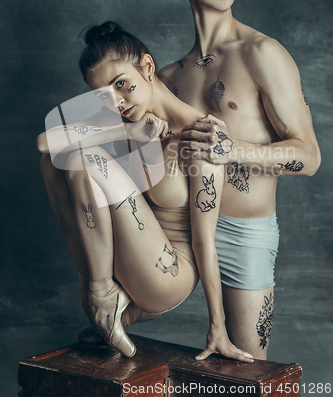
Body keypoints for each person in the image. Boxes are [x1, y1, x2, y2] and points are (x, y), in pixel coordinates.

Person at [37, 21, 254, 362]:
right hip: (134, 259)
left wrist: (218, 328)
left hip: (171, 275)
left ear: (148, 67)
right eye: (104, 96)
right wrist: (130, 132)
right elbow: (44, 143)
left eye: (122, 84)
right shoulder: (131, 119)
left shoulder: (202, 137)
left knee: (83, 155)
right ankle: (97, 294)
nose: (118, 101)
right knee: (55, 162)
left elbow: (204, 243)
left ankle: (103, 297)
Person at [159, 0, 321, 360]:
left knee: (248, 372)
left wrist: (234, 151)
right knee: (112, 337)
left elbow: (309, 157)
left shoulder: (262, 53)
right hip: (174, 225)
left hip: (242, 235)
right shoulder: (169, 77)